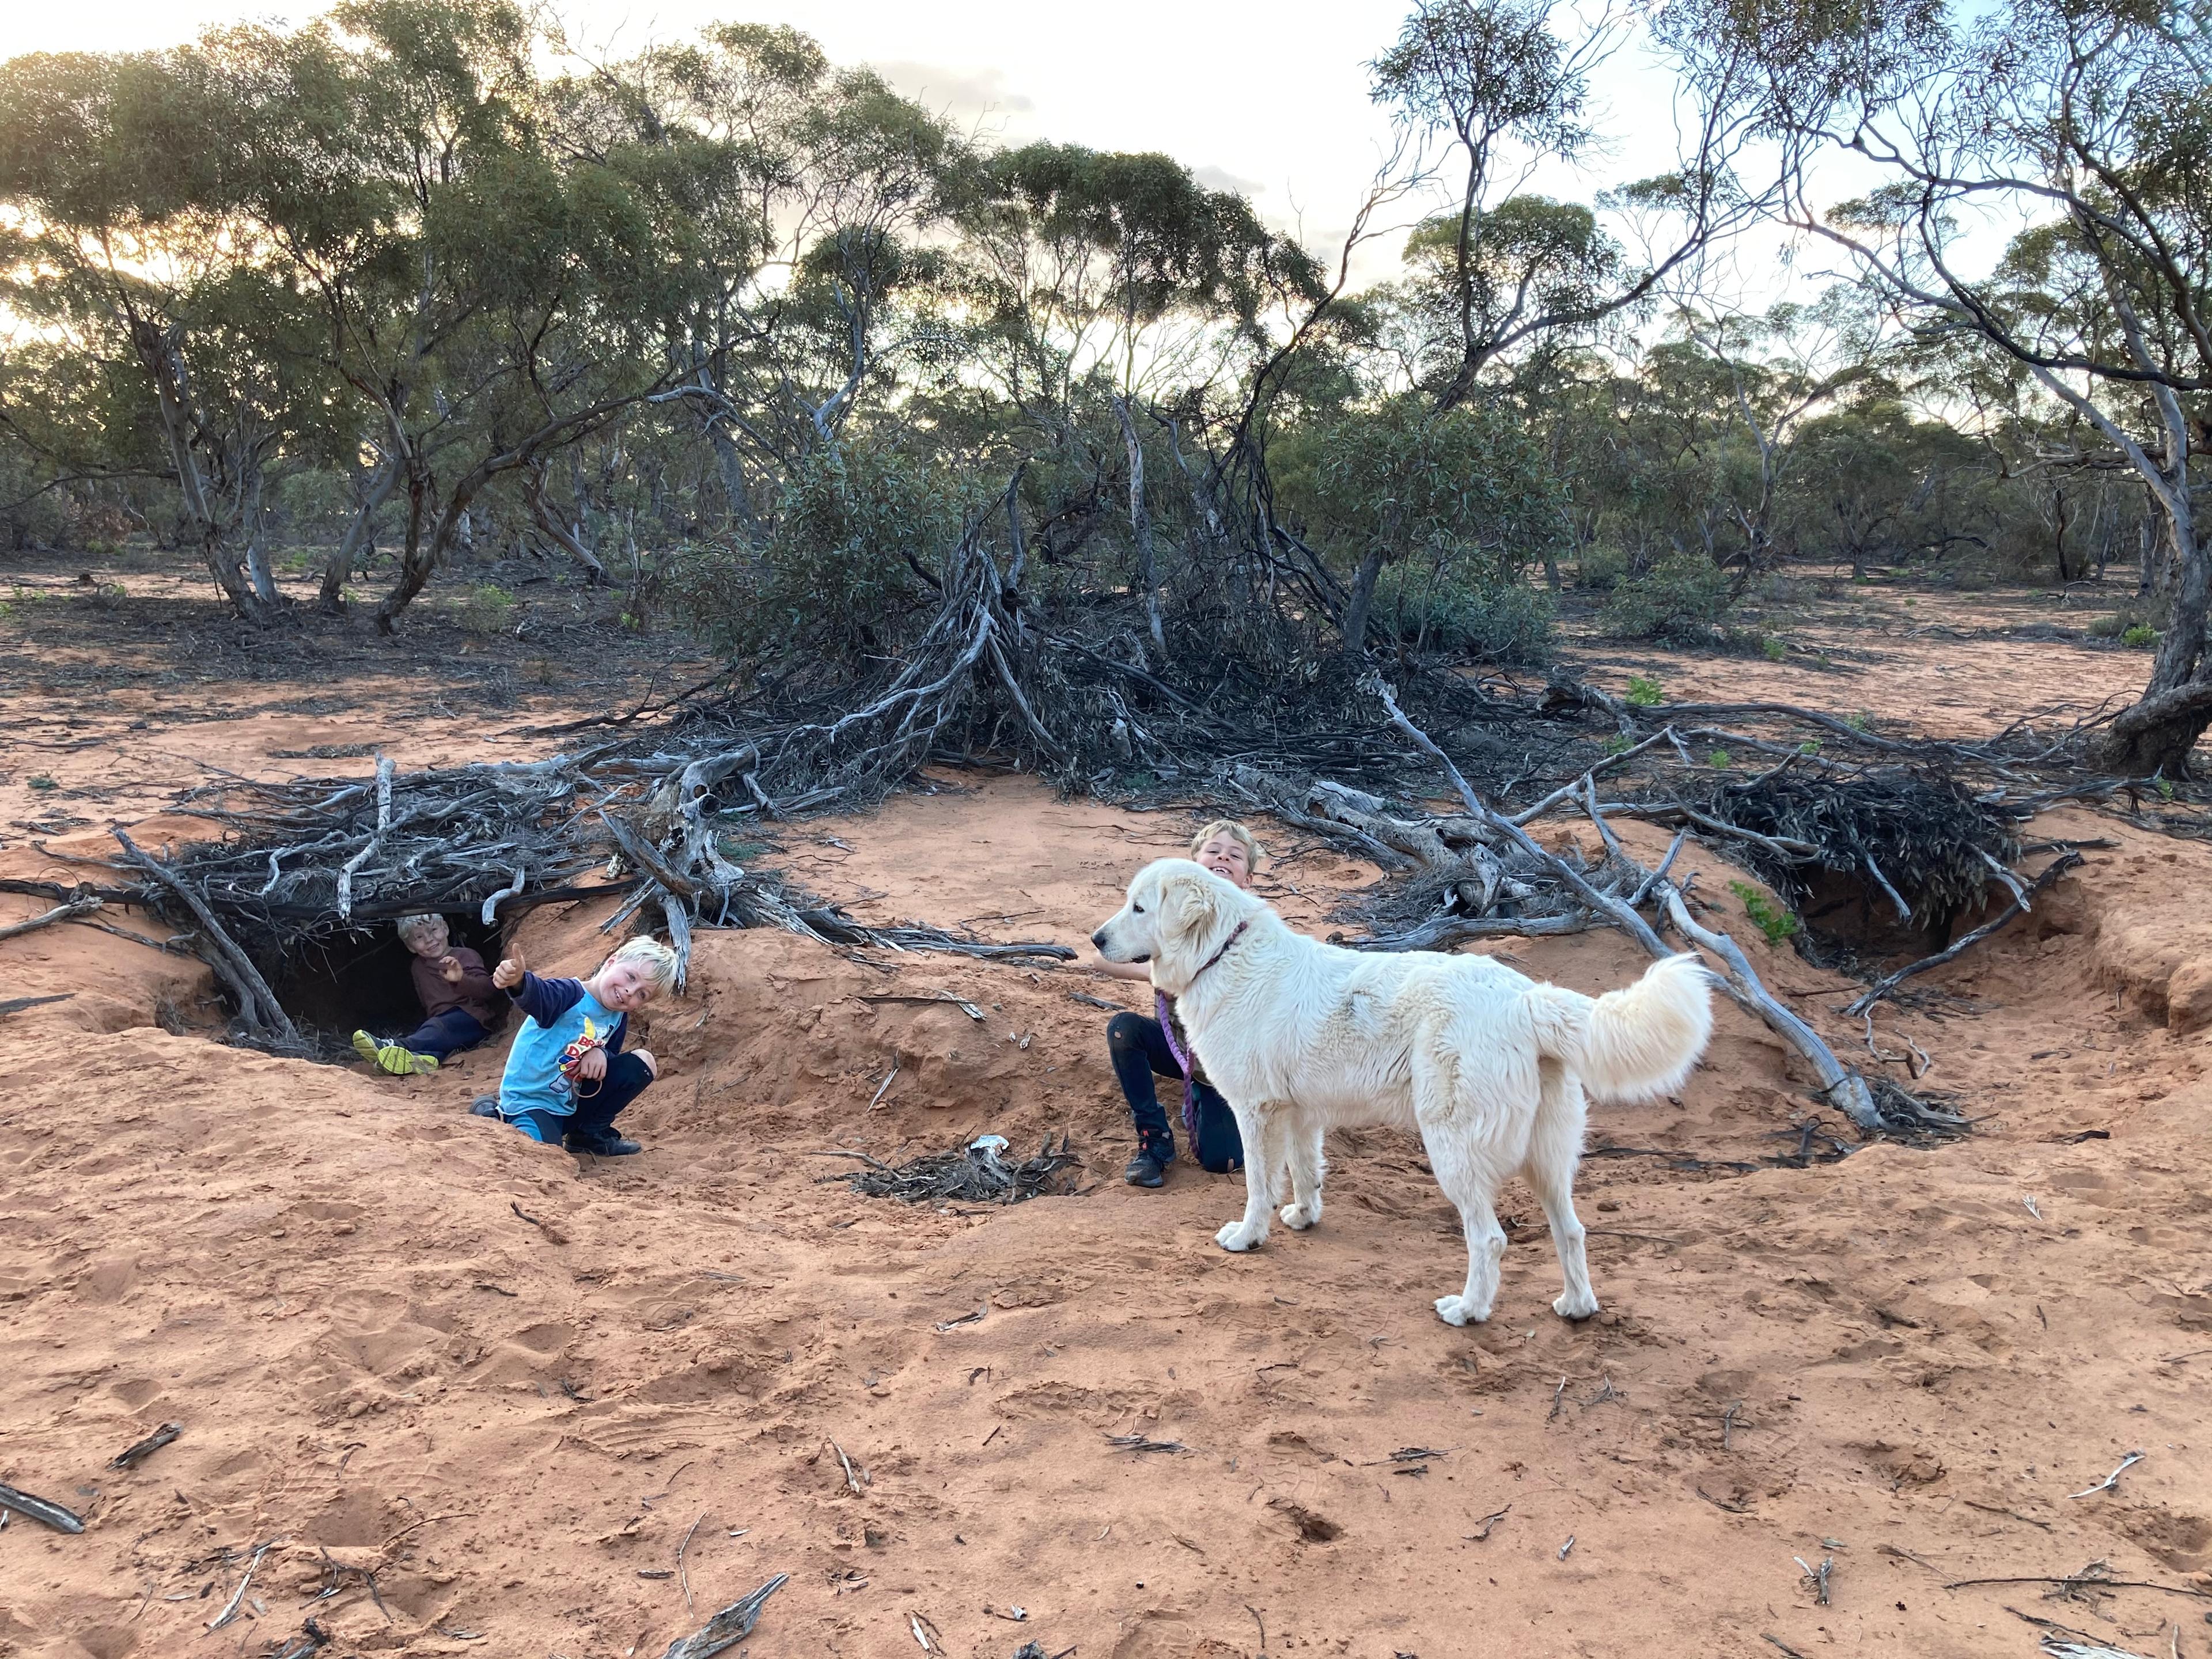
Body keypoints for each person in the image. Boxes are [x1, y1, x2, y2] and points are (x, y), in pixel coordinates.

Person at [1094, 819, 1262, 1188]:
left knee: (1224, 1161)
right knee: (1124, 1030)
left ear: (1247, 878)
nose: (1222, 857)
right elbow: (1102, 955)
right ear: (1191, 866)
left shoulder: (1254, 930)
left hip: (1231, 1069)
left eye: (1235, 856)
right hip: (1182, 1051)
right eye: (1213, 851)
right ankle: (1155, 1139)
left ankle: (1203, 1100)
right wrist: (1161, 978)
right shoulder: (1167, 914)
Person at [469, 935, 677, 1157]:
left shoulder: (617, 1017)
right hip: (532, 1103)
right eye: (630, 977)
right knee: (543, 1156)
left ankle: (588, 1135)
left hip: (569, 1105)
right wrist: (519, 980)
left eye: (641, 994)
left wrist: (600, 1052)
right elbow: (539, 995)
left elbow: (610, 1058)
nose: (629, 991)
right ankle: (491, 1113)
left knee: (643, 1063)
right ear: (611, 961)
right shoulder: (569, 994)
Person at [353, 912, 505, 1076]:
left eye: (434, 930)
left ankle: (394, 1045)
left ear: (445, 929)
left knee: (438, 1028)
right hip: (444, 1027)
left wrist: (461, 980)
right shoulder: (417, 967)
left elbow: (489, 990)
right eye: (419, 937)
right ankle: (416, 1061)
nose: (429, 939)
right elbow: (428, 1004)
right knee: (438, 1039)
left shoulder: (465, 955)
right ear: (410, 947)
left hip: (473, 1020)